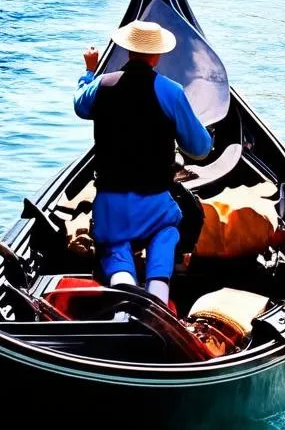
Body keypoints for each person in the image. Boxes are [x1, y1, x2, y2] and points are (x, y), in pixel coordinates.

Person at [73, 21, 212, 305]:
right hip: (154, 203)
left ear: (126, 51)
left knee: (115, 244)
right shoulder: (170, 91)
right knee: (167, 231)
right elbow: (199, 149)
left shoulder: (102, 85)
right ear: (157, 55)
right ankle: (158, 293)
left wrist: (89, 71)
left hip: (110, 204)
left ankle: (122, 284)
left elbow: (80, 105)